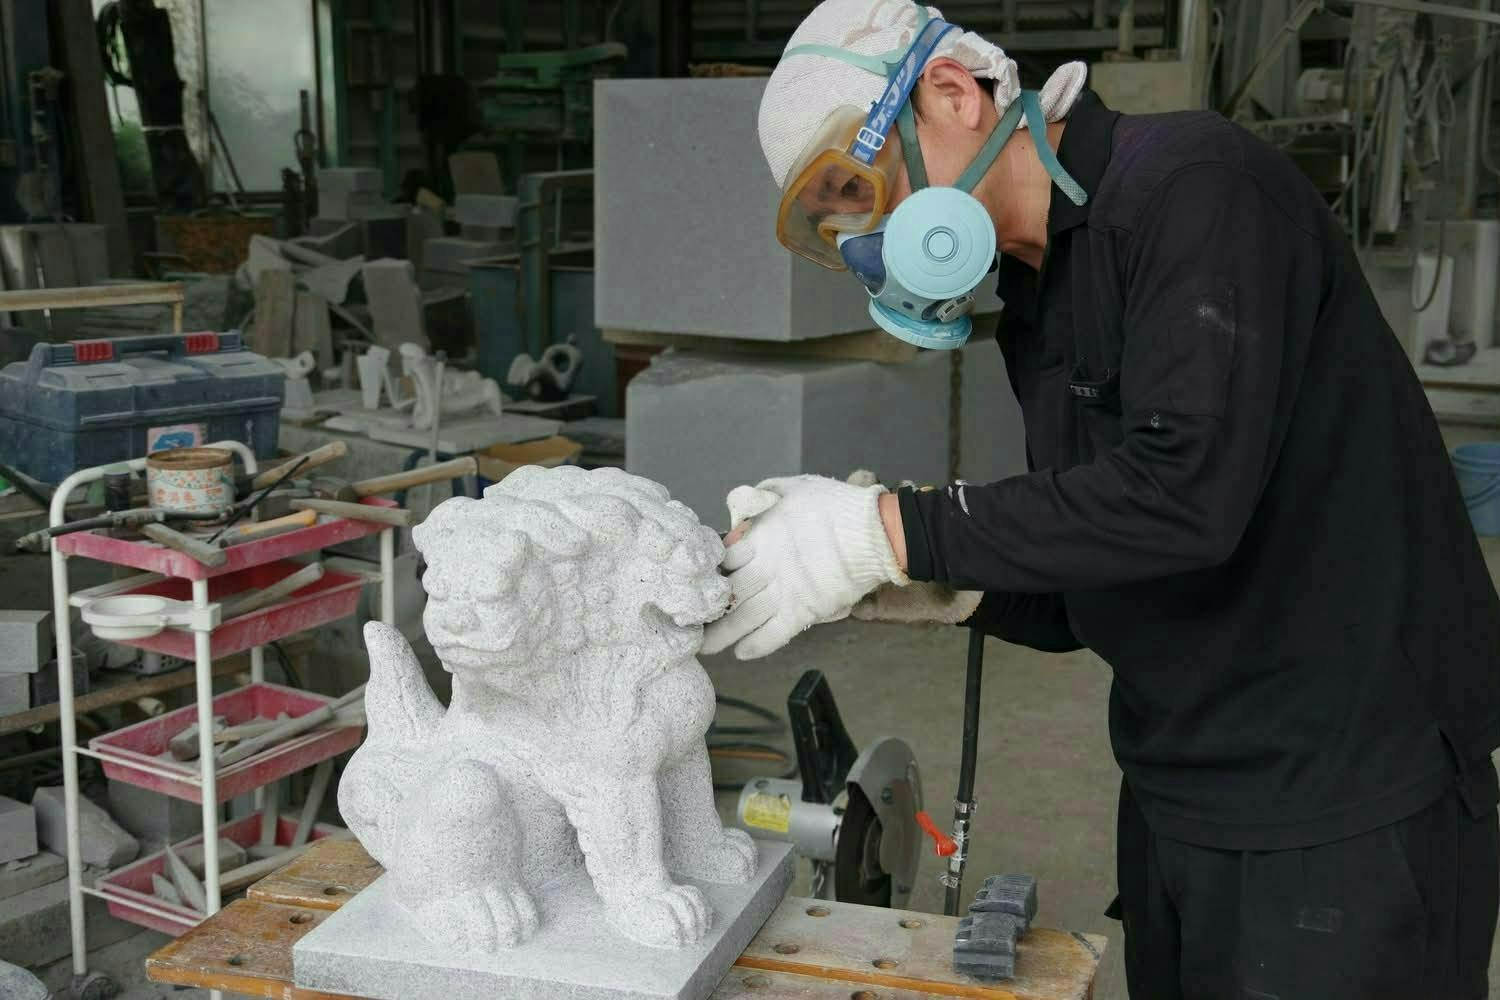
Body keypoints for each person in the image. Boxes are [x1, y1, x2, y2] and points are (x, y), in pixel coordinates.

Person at [701, 1, 1500, 996]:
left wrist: (891, 528)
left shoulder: (1199, 191)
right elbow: (1108, 556)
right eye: (842, 225)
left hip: (1344, 794)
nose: (872, 241)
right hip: (1182, 781)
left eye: (862, 191)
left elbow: (1183, 496)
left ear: (950, 92)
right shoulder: (1042, 294)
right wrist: (943, 584)